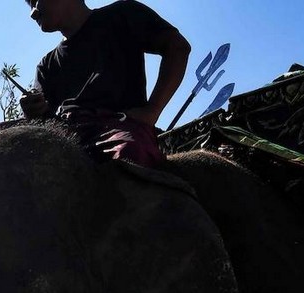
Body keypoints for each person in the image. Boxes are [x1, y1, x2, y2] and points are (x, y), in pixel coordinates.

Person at [19, 0, 191, 168]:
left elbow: (176, 47)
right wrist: (32, 109)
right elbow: (42, 121)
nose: (33, 13)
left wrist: (152, 111)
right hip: (66, 136)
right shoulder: (46, 65)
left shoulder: (122, 14)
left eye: (35, 1)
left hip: (121, 126)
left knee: (128, 155)